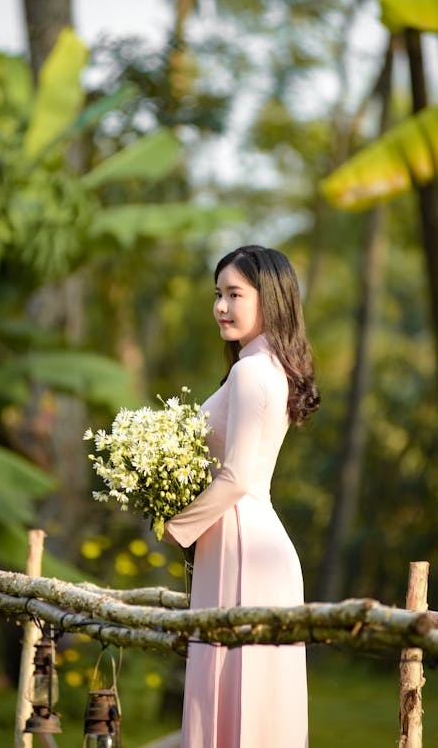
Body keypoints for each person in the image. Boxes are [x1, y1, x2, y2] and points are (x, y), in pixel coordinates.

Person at [164, 245, 320, 748]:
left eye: (235, 294)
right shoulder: (268, 364)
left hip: (242, 544)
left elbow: (235, 479)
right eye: (218, 294)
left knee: (233, 688)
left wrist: (176, 525)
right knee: (244, 692)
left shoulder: (252, 370)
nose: (221, 307)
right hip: (246, 538)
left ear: (268, 299)